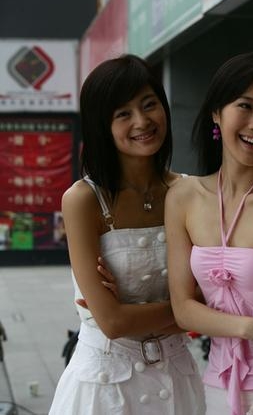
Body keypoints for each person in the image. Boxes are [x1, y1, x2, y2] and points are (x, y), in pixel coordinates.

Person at [49, 55, 205, 414]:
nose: (142, 121)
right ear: (101, 126)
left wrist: (141, 311)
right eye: (123, 113)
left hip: (177, 378)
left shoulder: (191, 191)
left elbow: (216, 298)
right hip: (105, 387)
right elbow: (113, 322)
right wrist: (189, 308)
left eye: (149, 105)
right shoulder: (83, 199)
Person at [165, 52, 253, 415]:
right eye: (245, 106)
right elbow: (183, 309)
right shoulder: (183, 196)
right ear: (217, 112)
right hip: (213, 387)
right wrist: (249, 328)